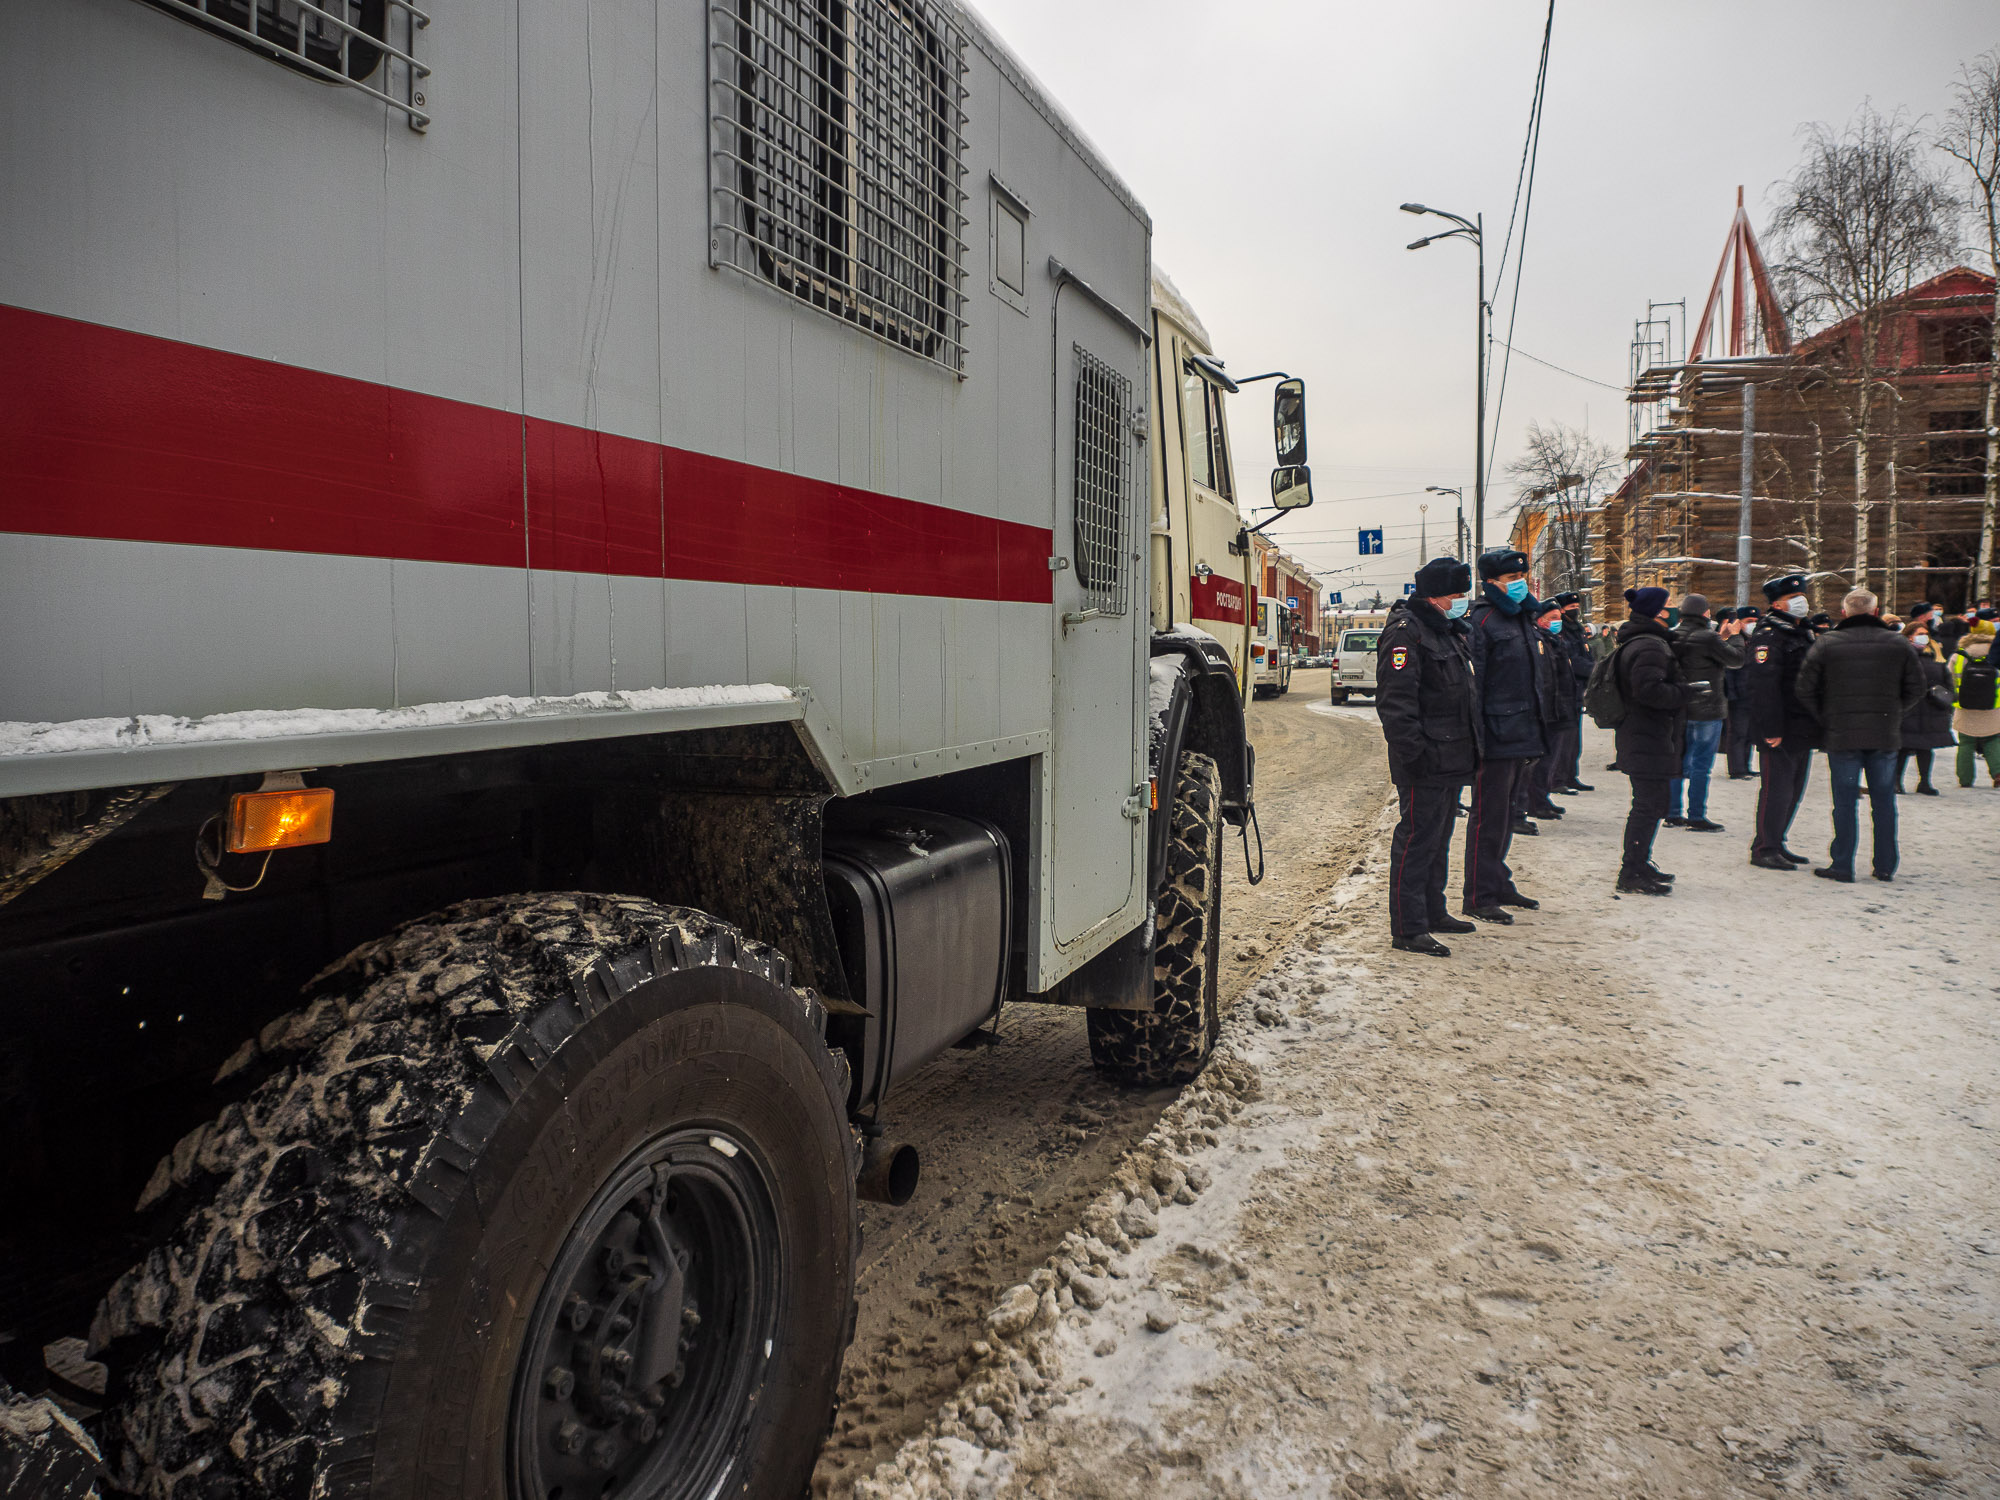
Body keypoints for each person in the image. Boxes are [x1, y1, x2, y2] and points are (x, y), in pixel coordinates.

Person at [1377, 557, 1482, 957]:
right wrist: (1414, 755)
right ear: (1436, 595)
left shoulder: (1448, 631)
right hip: (1425, 760)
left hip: (1451, 756)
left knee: (1438, 840)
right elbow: (1395, 702)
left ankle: (1434, 911)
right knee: (1417, 842)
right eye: (1457, 595)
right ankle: (1408, 927)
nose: (1462, 602)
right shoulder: (1408, 633)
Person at [1793, 589, 1926, 883]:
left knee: (1844, 801)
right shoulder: (1897, 643)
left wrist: (1826, 717)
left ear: (1844, 613)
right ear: (1876, 612)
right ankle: (1885, 865)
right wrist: (1895, 712)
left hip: (1842, 735)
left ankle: (1842, 863)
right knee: (1883, 801)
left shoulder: (1828, 643)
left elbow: (1804, 688)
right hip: (1884, 733)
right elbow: (1917, 687)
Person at [1461, 548, 1547, 923]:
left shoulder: (1523, 617)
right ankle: (1478, 894)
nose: (1519, 584)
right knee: (1488, 816)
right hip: (1495, 736)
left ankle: (1498, 880)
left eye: (1521, 577)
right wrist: (1477, 741)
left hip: (1521, 731)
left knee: (1508, 814)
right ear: (1491, 582)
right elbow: (1473, 687)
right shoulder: (1482, 622)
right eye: (1512, 580)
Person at [1610, 587, 1692, 894]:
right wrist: (1685, 692)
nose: (1674, 610)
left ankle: (1639, 862)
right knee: (1647, 806)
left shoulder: (1646, 642)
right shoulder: (1649, 647)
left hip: (1647, 736)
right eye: (1669, 605)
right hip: (1648, 737)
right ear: (1657, 611)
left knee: (1652, 804)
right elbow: (1648, 691)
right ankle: (1631, 871)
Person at [1742, 574, 1821, 871]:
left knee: (1794, 789)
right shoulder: (1768, 635)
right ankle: (1765, 848)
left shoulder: (1800, 631)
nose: (1802, 601)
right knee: (1777, 790)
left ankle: (1776, 840)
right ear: (1777, 603)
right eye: (1793, 598)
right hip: (1779, 726)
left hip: (1801, 724)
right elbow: (1763, 686)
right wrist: (1771, 729)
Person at [1665, 593, 1744, 832]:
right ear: (1705, 613)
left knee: (1677, 761)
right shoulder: (1708, 637)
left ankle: (1672, 812)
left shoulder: (1673, 636)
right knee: (1701, 765)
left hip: (1680, 707)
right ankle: (1696, 815)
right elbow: (1736, 660)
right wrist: (1737, 637)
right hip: (1707, 709)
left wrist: (1722, 637)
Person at [1514, 597, 1570, 823]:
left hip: (1554, 709)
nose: (1558, 622)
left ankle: (1539, 799)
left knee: (1548, 760)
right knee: (1533, 765)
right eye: (1553, 618)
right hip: (1541, 710)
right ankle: (1530, 803)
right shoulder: (1538, 641)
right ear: (1540, 620)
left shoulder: (1552, 641)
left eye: (1559, 618)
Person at [1896, 620, 1954, 795]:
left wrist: (1944, 697)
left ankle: (1924, 782)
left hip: (1930, 710)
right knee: (1903, 747)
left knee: (1926, 748)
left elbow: (1947, 683)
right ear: (1908, 637)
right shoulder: (1901, 659)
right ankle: (1896, 781)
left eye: (1925, 634)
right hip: (1909, 710)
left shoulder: (1935, 660)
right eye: (1919, 634)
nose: (1924, 637)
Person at [1552, 592, 1594, 793]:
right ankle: (1557, 778)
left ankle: (1570, 775)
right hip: (1565, 690)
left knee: (1574, 740)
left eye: (1577, 606)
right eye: (1570, 607)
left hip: (1577, 690)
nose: (1575, 609)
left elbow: (1585, 654)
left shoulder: (1576, 629)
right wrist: (1594, 670)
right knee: (1564, 740)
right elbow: (1571, 660)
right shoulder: (1561, 630)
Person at [1950, 631, 2000, 787]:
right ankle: (1998, 773)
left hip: (1964, 707)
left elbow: (1950, 678)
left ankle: (1965, 778)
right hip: (1993, 707)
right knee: (1993, 740)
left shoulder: (1958, 656)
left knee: (1966, 743)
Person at [1723, 607, 1760, 779]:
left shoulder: (1756, 640)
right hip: (1738, 695)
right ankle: (1737, 768)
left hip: (1752, 694)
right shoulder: (1735, 640)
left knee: (1749, 733)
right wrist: (1732, 695)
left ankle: (1746, 765)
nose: (1753, 624)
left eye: (1755, 621)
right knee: (1738, 733)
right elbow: (1729, 670)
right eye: (1749, 622)